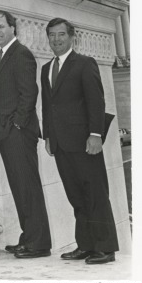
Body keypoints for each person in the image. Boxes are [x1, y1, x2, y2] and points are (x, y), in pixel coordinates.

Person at [41, 18, 119, 265]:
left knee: (95, 194)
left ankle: (105, 248)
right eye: (52, 35)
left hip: (85, 142)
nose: (56, 39)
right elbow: (47, 105)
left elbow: (96, 101)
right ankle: (86, 245)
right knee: (76, 196)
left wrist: (95, 135)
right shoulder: (46, 69)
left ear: (72, 36)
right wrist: (48, 136)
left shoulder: (85, 64)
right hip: (61, 144)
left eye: (61, 34)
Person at [0, 9, 51, 258]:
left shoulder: (21, 54)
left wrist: (16, 125)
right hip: (8, 133)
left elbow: (29, 94)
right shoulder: (3, 55)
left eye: (1, 26)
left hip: (18, 133)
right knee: (20, 187)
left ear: (13, 27)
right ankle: (29, 237)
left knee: (28, 187)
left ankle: (39, 244)